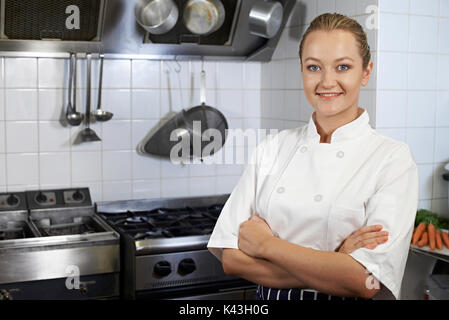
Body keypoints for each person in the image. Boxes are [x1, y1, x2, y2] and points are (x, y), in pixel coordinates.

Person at [207, 13, 419, 300]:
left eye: (343, 67)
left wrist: (266, 246)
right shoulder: (273, 147)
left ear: (366, 72)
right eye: (314, 67)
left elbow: (365, 281)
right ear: (302, 71)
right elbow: (231, 259)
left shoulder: (392, 159)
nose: (327, 81)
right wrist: (336, 259)